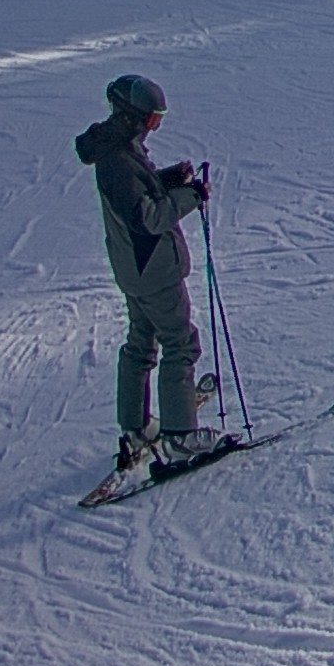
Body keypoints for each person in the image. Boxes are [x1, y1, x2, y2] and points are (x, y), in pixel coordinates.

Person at [74, 74, 229, 480]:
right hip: (154, 269)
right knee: (181, 343)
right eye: (152, 120)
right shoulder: (118, 160)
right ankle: (180, 437)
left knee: (141, 343)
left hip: (134, 270)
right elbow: (148, 218)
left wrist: (167, 179)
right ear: (131, 117)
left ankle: (137, 428)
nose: (153, 127)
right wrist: (190, 196)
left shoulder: (117, 150)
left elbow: (139, 195)